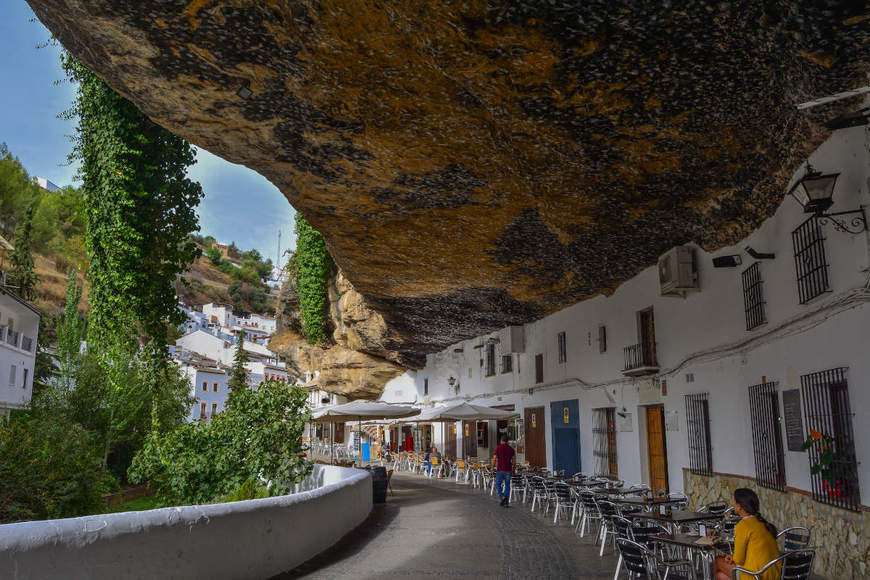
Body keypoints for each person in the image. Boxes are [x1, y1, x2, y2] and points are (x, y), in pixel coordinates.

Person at [714, 488, 781, 580]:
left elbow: (739, 560)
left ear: (739, 506)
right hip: (774, 574)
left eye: (734, 502)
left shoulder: (743, 525)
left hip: (756, 575)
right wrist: (733, 557)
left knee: (717, 561)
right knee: (720, 575)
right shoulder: (763, 523)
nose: (733, 505)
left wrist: (734, 557)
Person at [492, 434, 515, 507]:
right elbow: (514, 461)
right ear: (507, 441)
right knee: (507, 485)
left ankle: (502, 496)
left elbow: (494, 459)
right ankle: (506, 503)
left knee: (497, 484)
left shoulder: (498, 448)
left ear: (501, 440)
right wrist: (513, 469)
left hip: (500, 469)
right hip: (508, 470)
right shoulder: (511, 449)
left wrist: (492, 468)